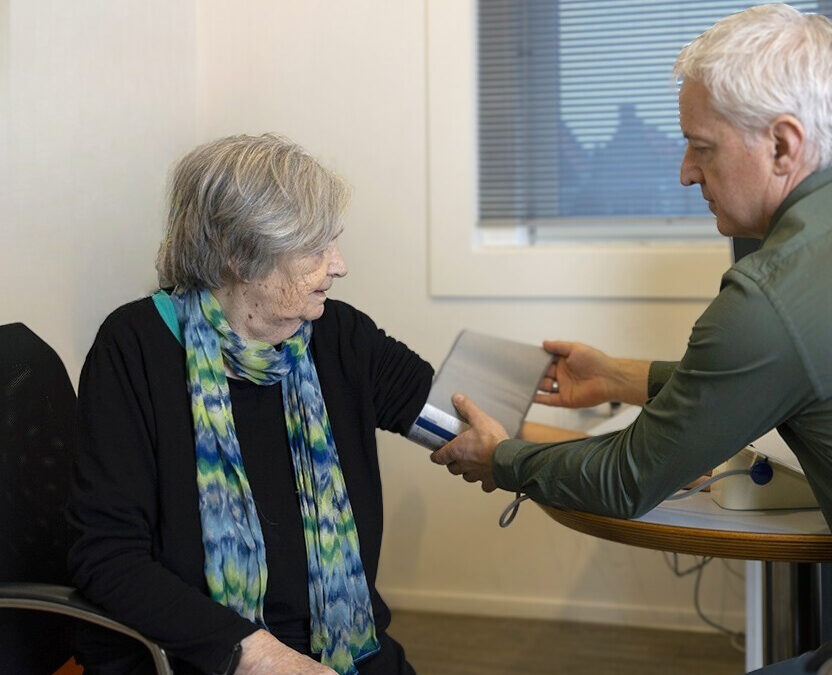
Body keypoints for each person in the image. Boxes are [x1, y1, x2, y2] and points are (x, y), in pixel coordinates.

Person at [431, 5, 832, 672]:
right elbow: (782, 370)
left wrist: (500, 457)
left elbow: (625, 479)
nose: (683, 172)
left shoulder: (768, 295)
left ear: (783, 145)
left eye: (701, 147)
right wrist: (620, 376)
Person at [67, 134, 433, 675]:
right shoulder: (135, 349)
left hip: (349, 646)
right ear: (241, 256)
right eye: (316, 248)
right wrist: (256, 654)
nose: (340, 265)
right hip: (205, 657)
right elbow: (107, 557)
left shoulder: (334, 333)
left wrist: (510, 446)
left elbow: (437, 410)